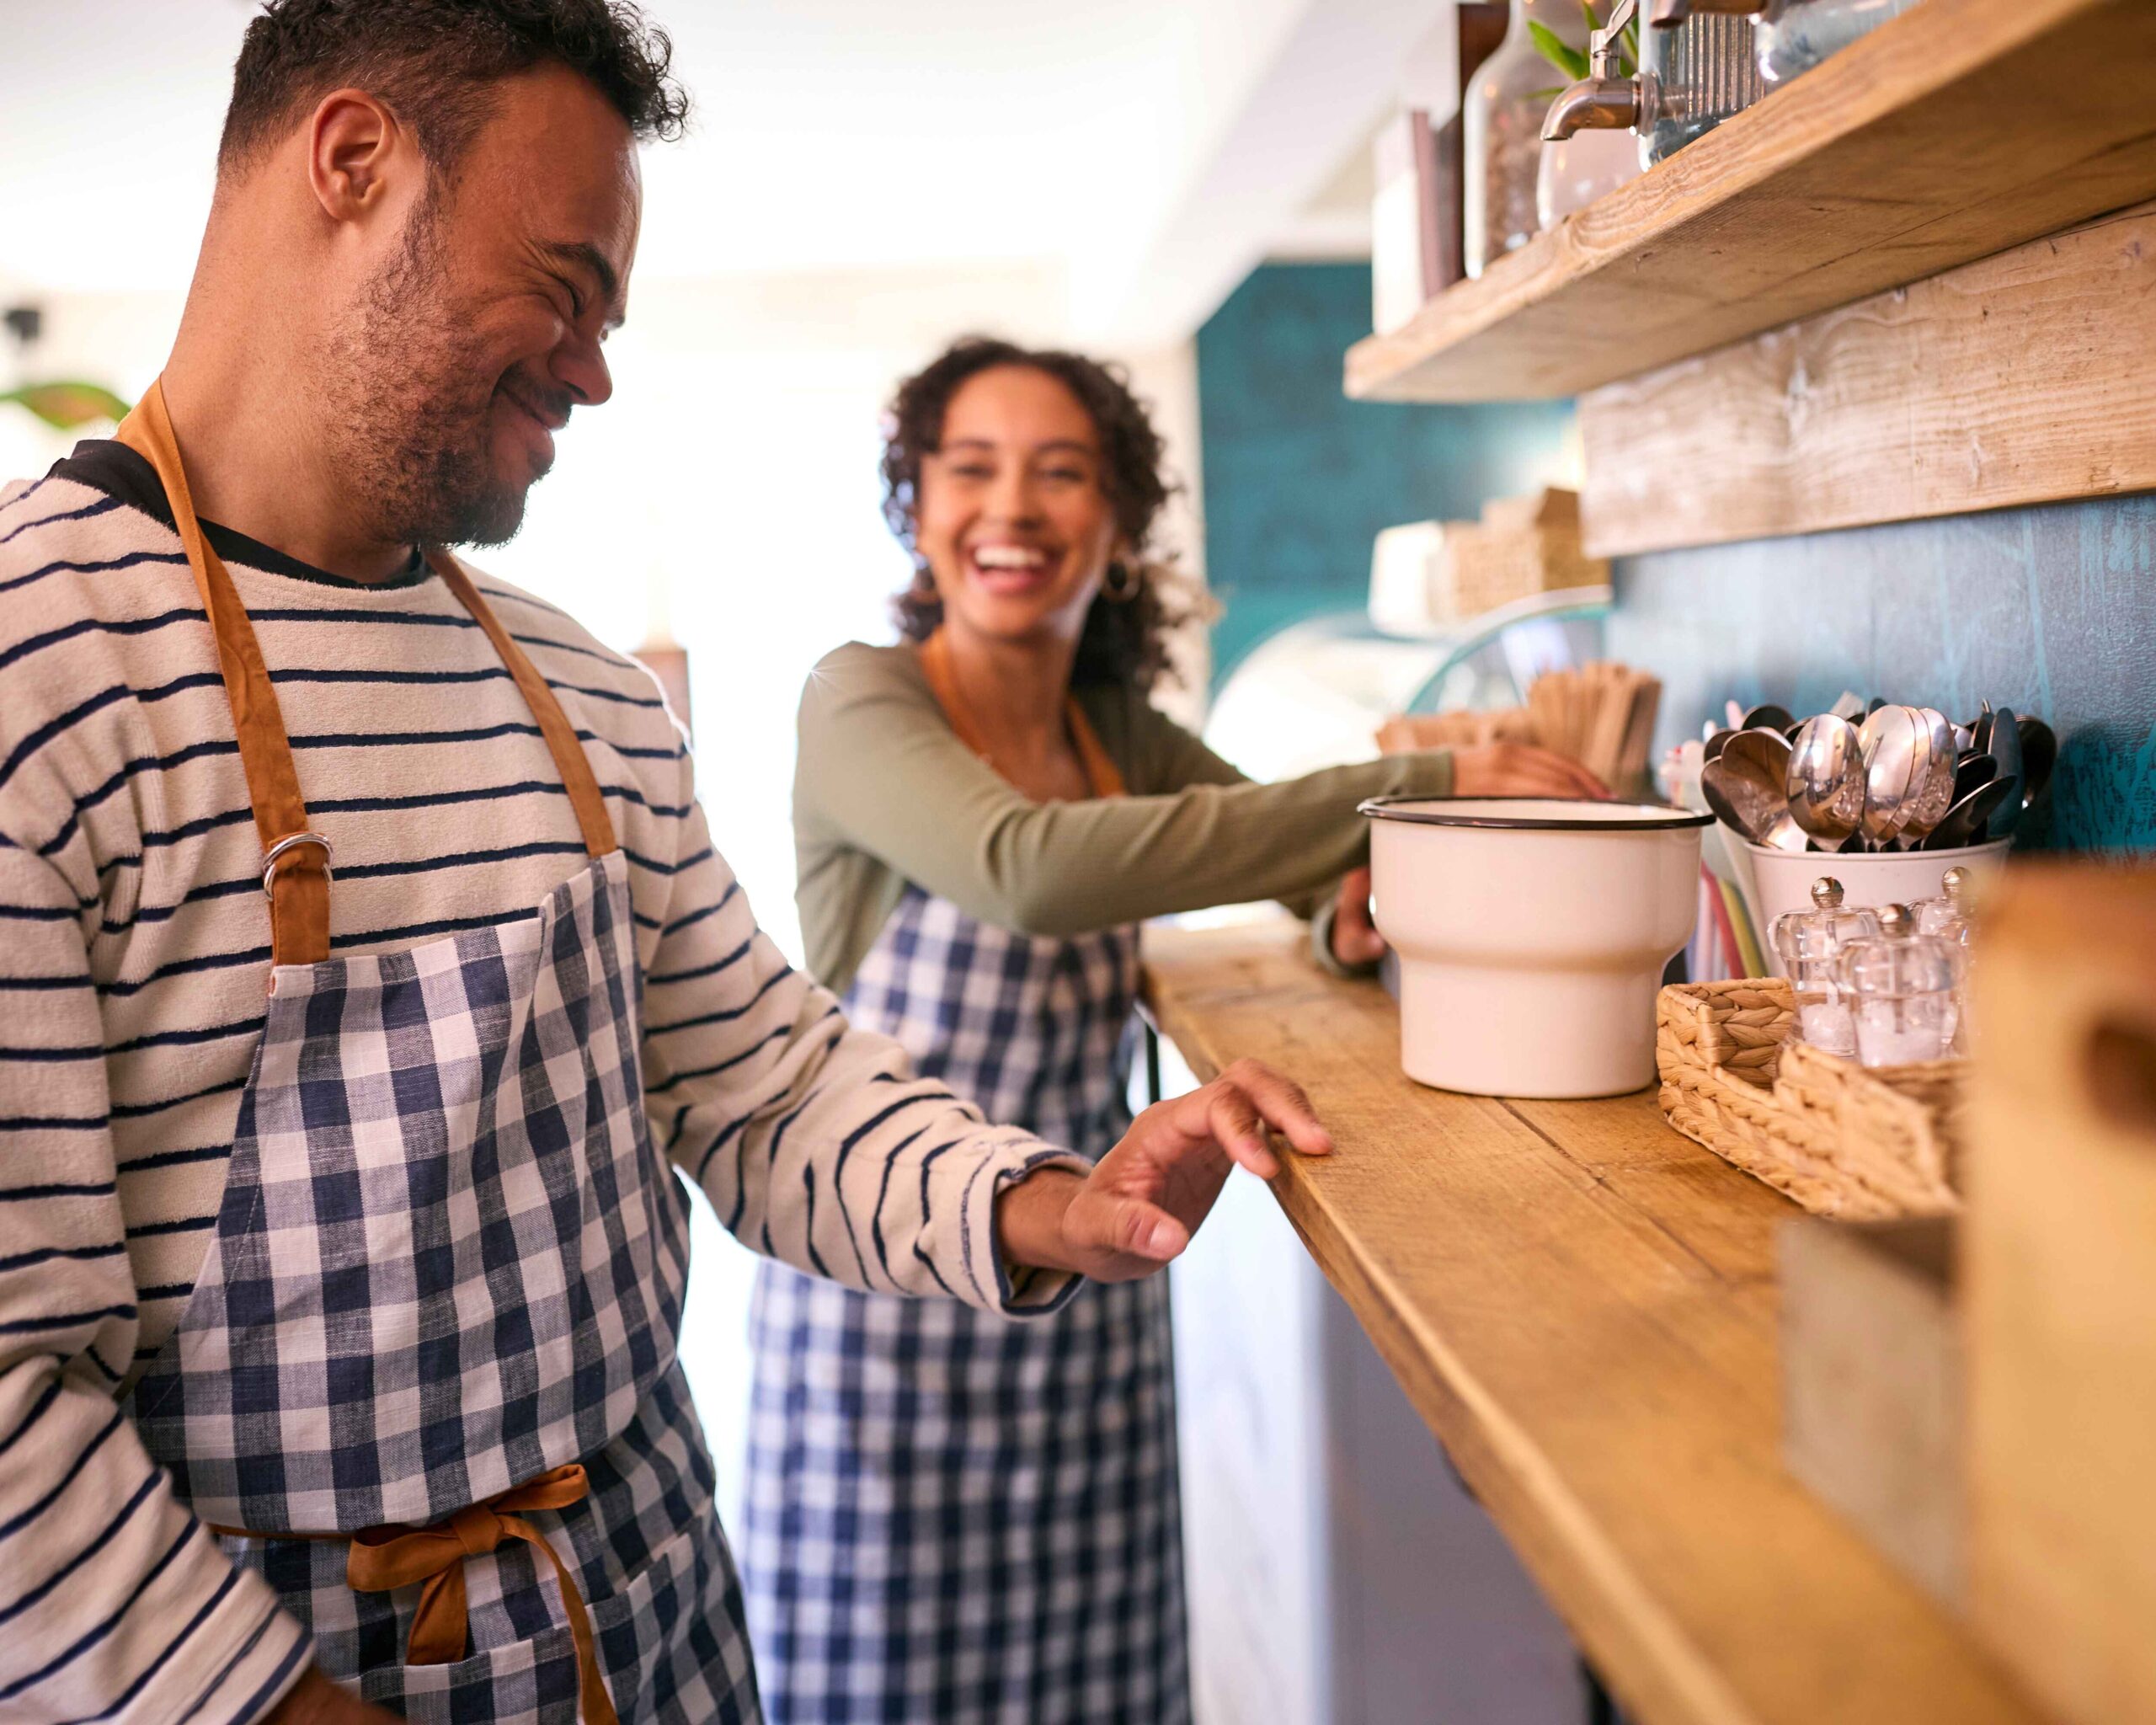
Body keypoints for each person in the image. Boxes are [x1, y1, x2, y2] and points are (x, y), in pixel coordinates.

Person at [0, 10, 1335, 1724]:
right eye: (563, 286)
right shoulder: (46, 674)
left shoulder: (576, 695)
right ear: (351, 163)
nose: (593, 369)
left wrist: (1042, 1200)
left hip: (662, 1623)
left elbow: (760, 1085)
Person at [744, 339, 1607, 1723]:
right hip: (891, 1319)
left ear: (1119, 526)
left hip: (1086, 1303)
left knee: (1099, 1686)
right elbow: (1032, 867)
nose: (1012, 507)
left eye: (1061, 473)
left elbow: (1299, 869)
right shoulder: (863, 699)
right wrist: (1424, 780)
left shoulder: (1117, 735)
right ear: (919, 502)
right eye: (972, 468)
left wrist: (1347, 916)